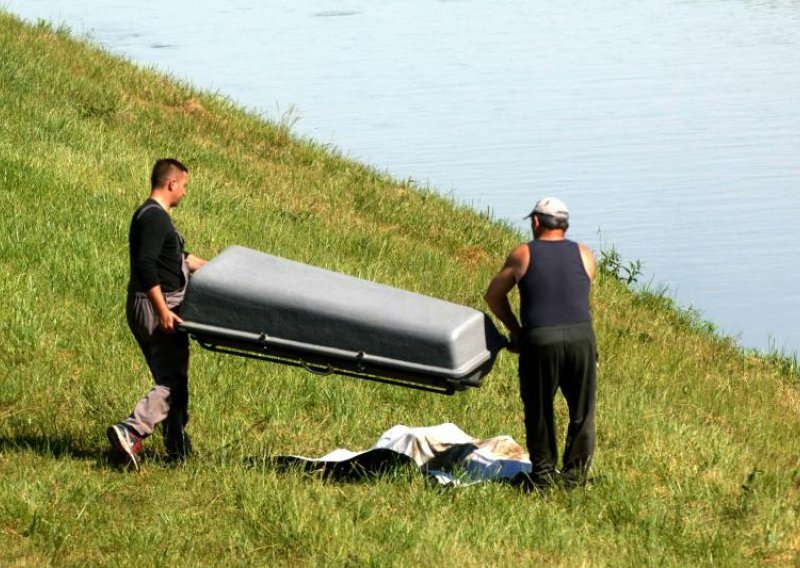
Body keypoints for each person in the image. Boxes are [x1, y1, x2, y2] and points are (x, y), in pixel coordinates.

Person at [484, 197, 597, 489]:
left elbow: (493, 295)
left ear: (536, 222)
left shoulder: (524, 253)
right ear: (565, 224)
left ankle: (544, 478)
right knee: (582, 412)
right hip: (582, 337)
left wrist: (516, 331)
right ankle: (574, 480)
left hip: (540, 339)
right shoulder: (584, 254)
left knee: (539, 407)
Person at [107, 158, 207, 470]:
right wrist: (162, 309)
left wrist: (218, 269)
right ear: (171, 184)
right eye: (185, 186)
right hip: (156, 305)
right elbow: (146, 265)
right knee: (172, 380)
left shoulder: (155, 218)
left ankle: (177, 447)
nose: (185, 193)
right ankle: (131, 430)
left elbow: (178, 258)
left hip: (154, 303)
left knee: (174, 377)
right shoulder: (154, 218)